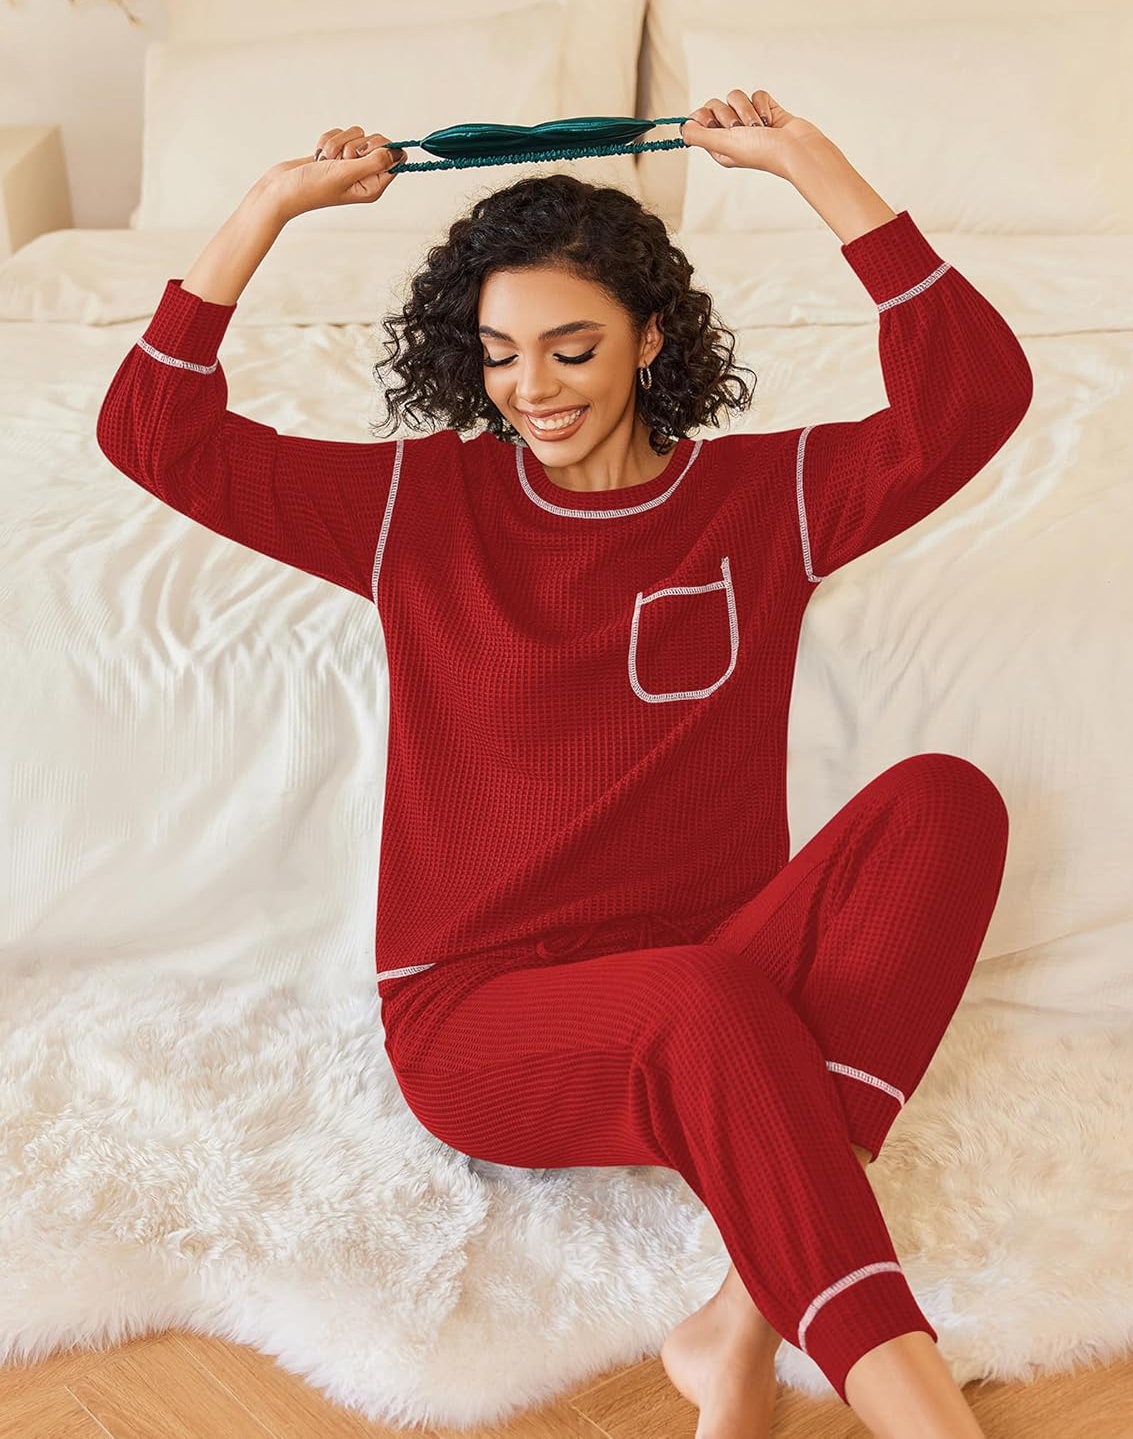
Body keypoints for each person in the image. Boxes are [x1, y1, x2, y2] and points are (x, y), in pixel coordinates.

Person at [96, 88, 1032, 1439]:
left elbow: (973, 399)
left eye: (573, 348)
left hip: (712, 976)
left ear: (651, 340)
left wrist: (817, 169)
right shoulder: (415, 508)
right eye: (498, 355)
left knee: (945, 804)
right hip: (482, 1018)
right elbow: (151, 432)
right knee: (708, 1005)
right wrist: (269, 208)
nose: (531, 389)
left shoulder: (762, 501)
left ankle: (737, 1323)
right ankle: (919, 1412)